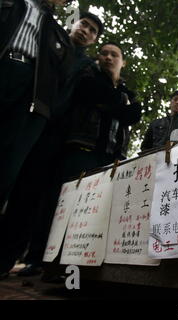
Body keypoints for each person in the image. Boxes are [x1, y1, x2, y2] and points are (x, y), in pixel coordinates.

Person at [1, 11, 104, 278]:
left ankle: (10, 258)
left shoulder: (89, 68)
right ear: (74, 24)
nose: (86, 31)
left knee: (31, 196)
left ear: (94, 40)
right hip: (23, 117)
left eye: (92, 30)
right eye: (84, 24)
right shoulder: (48, 38)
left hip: (53, 136)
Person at [0, 0, 75, 280]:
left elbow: (62, 79)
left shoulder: (57, 33)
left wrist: (45, 109)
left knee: (7, 172)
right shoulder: (10, 4)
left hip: (31, 100)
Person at [62, 42, 141, 179]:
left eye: (114, 55)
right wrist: (121, 103)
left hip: (115, 160)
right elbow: (90, 91)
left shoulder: (129, 93)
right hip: (82, 150)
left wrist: (106, 103)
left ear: (123, 63)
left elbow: (134, 114)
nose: (108, 58)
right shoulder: (87, 77)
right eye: (104, 54)